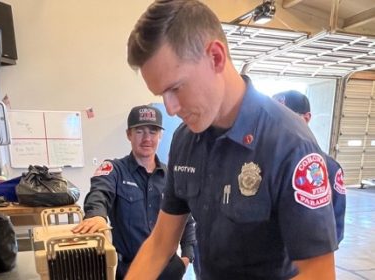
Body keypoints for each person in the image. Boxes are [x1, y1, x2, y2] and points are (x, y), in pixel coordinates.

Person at [125, 0, 338, 279]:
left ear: (215, 57)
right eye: (161, 95)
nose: (171, 108)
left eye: (176, 88)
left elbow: (319, 273)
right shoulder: (185, 140)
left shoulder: (289, 144)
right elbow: (160, 243)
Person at [72, 105, 196, 279]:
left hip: (168, 270)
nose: (147, 138)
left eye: (153, 132)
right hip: (128, 270)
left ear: (160, 135)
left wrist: (186, 257)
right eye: (139, 131)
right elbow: (100, 193)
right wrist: (97, 215)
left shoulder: (171, 176)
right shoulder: (114, 170)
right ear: (128, 134)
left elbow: (187, 220)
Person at [273, 90, 346, 243]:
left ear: (306, 118)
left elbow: (333, 231)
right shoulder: (258, 163)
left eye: (286, 117)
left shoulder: (328, 168)